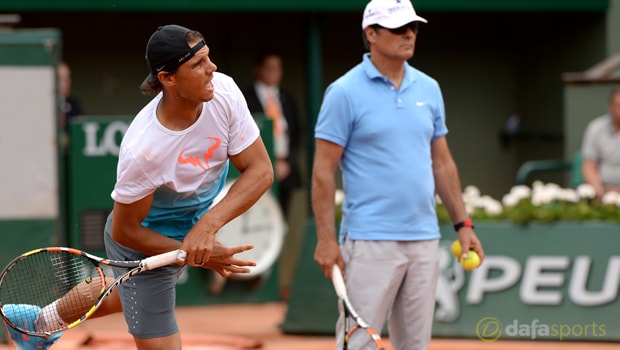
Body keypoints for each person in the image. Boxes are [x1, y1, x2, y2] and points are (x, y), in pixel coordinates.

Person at [3, 24, 274, 350]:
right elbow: (125, 231)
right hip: (143, 238)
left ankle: (36, 324)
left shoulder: (224, 92)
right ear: (168, 79)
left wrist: (206, 227)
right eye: (198, 64)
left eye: (209, 57)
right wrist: (192, 253)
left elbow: (260, 170)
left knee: (119, 291)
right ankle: (37, 325)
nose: (212, 69)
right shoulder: (145, 150)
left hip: (191, 222)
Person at [311, 1, 485, 349]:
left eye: (413, 27)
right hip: (369, 240)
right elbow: (322, 171)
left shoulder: (429, 88)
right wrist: (327, 240)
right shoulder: (344, 92)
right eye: (398, 28)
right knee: (357, 345)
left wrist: (463, 224)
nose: (409, 34)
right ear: (371, 35)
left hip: (423, 239)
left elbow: (442, 163)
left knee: (415, 346)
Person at [242, 51, 302, 218]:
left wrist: (288, 162)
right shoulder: (245, 99)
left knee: (282, 220)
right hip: (258, 169)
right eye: (269, 68)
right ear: (258, 69)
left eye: (277, 69)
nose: (273, 73)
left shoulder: (287, 99)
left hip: (285, 171)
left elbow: (297, 134)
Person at [581, 87, 620, 200]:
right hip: (603, 191)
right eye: (617, 105)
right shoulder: (596, 128)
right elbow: (589, 167)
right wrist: (601, 193)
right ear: (610, 107)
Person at [58, 61, 86, 128]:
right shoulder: (45, 104)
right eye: (63, 79)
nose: (67, 82)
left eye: (68, 78)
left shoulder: (74, 102)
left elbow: (81, 126)